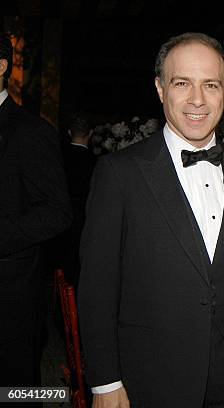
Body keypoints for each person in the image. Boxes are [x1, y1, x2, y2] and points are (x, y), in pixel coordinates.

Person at [78, 33, 224, 408]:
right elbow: (97, 287)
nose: (197, 99)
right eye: (182, 83)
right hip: (151, 378)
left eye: (210, 85)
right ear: (161, 89)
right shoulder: (120, 173)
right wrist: (104, 382)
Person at [0, 32, 72, 389]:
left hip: (9, 298)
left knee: (14, 390)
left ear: (1, 67)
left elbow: (58, 212)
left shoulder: (30, 132)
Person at [59, 114, 97, 284]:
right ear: (90, 133)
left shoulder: (57, 159)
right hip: (84, 223)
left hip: (59, 223)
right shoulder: (97, 163)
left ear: (69, 132)